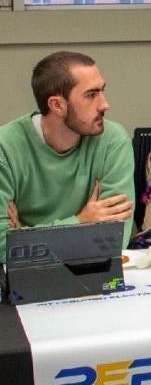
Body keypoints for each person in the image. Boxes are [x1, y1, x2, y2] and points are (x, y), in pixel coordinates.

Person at [0, 51, 134, 258]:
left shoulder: (113, 140)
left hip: (94, 271)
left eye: (102, 91)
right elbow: (2, 247)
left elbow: (113, 241)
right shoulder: (5, 147)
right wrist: (81, 221)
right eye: (91, 95)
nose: (104, 104)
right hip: (22, 276)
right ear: (57, 105)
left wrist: (24, 238)